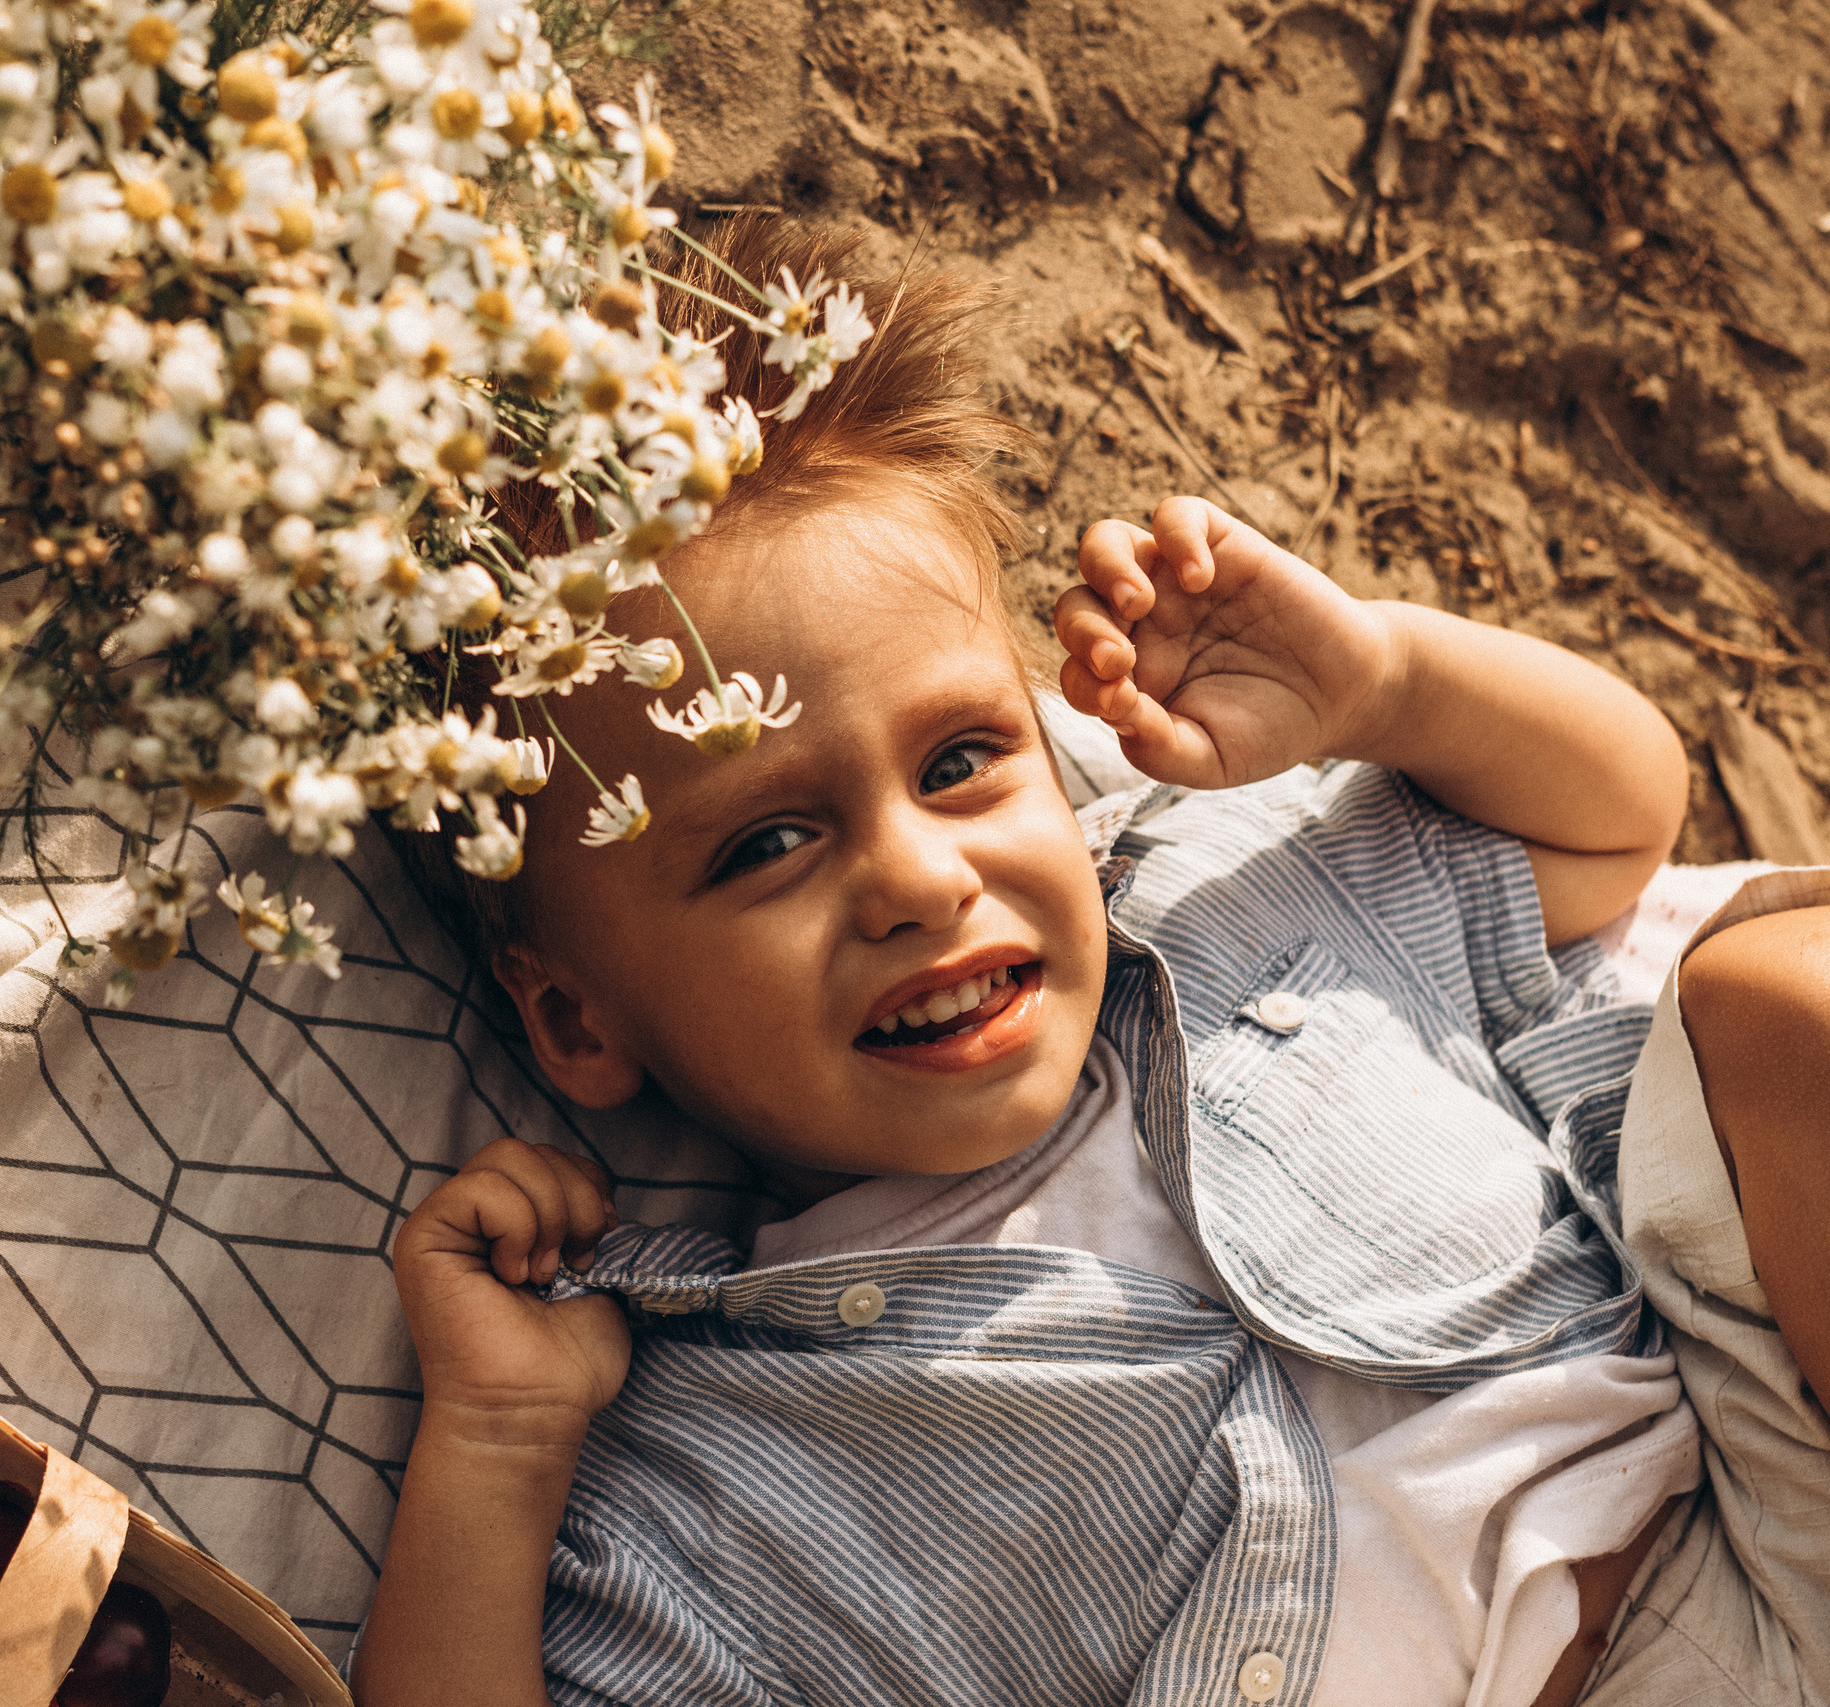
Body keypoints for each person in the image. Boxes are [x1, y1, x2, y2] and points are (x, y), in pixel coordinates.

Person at [352, 221, 1830, 1707]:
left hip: (1757, 1530)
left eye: (962, 761)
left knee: (1780, 994)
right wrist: (498, 1446)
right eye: (765, 848)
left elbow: (1615, 832)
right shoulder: (714, 1458)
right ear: (574, 1017)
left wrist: (1384, 681)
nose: (922, 880)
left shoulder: (1233, 883)